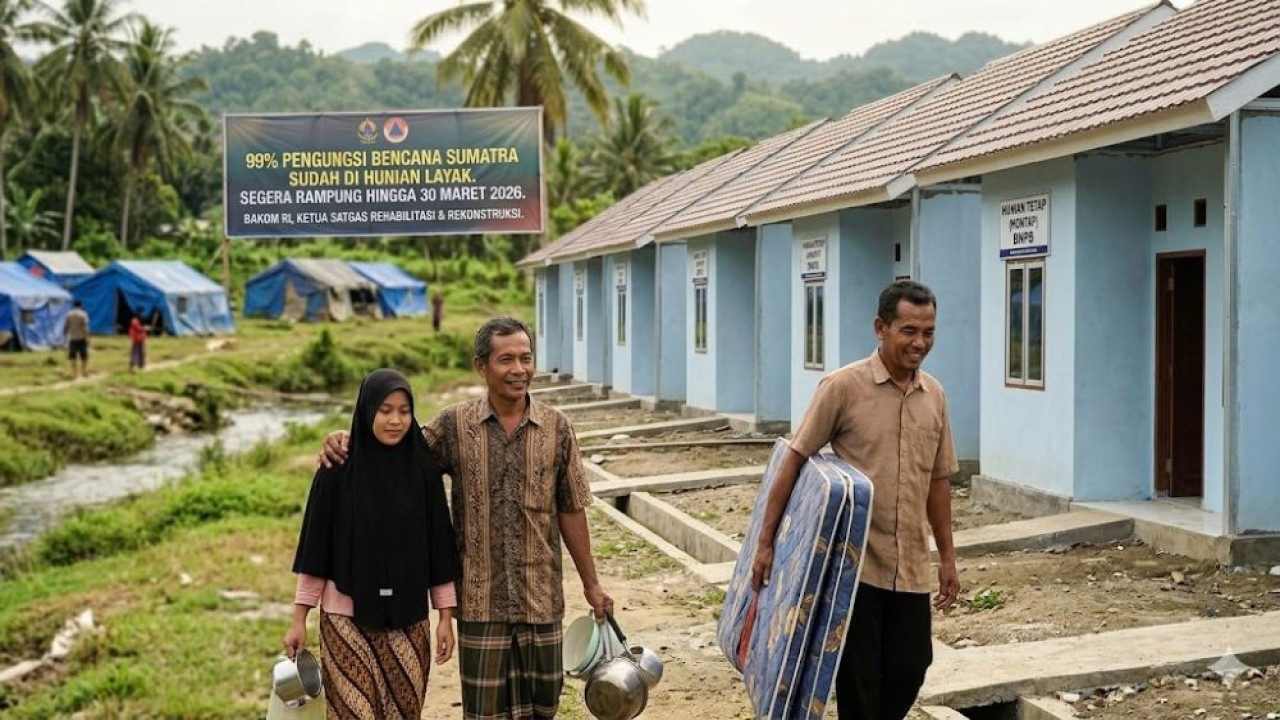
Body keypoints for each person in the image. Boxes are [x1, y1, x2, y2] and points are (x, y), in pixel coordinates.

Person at [322, 317, 612, 720]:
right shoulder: (454, 426)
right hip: (479, 605)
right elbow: (396, 450)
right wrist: (345, 437)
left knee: (543, 709)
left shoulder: (557, 429)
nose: (519, 369)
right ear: (481, 367)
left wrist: (592, 585)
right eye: (506, 359)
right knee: (484, 714)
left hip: (541, 599)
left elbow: (571, 509)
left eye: (526, 359)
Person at [750, 280, 960, 720]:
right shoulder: (843, 387)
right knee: (858, 680)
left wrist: (948, 557)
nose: (920, 343)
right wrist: (765, 542)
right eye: (908, 331)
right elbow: (795, 459)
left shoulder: (936, 395)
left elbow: (938, 480)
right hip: (854, 567)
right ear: (880, 327)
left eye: (929, 332)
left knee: (911, 667)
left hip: (912, 567)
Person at [286, 368, 460, 719]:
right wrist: (299, 618)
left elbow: (438, 546)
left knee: (403, 712)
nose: (395, 420)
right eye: (384, 410)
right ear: (366, 411)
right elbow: (315, 549)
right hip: (344, 619)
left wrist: (445, 617)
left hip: (409, 620)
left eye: (404, 410)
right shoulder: (337, 469)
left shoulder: (423, 470)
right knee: (354, 713)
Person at [64, 300, 90, 379]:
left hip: (72, 338)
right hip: (81, 338)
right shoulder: (83, 314)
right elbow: (84, 326)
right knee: (84, 356)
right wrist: (87, 337)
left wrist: (65, 335)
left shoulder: (69, 314)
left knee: (73, 356)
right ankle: (84, 371)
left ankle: (74, 374)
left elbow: (66, 326)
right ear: (81, 306)